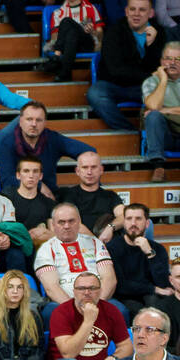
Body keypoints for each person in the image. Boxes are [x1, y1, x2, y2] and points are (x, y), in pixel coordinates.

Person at [46, 271, 131, 360]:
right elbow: (68, 353)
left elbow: (127, 346)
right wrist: (88, 321)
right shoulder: (61, 312)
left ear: (100, 291)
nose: (86, 292)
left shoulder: (111, 311)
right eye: (81, 288)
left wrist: (113, 358)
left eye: (92, 288)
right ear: (74, 291)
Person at [34, 202, 119, 320]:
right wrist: (75, 309)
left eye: (71, 221)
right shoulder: (45, 249)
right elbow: (51, 288)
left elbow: (110, 279)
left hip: (98, 300)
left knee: (120, 310)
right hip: (63, 302)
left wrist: (96, 305)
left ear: (79, 222)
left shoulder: (95, 243)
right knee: (51, 313)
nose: (67, 226)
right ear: (53, 225)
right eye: (61, 222)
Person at [87, 0, 162, 131]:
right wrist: (149, 75)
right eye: (132, 9)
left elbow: (161, 68)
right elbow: (115, 70)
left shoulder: (159, 32)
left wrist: (151, 46)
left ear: (151, 13)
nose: (136, 14)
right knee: (95, 93)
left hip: (147, 87)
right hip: (117, 86)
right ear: (126, 12)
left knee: (169, 89)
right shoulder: (114, 32)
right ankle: (130, 132)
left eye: (142, 10)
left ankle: (159, 134)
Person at [0, 101, 95, 193]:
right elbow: (6, 180)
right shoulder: (7, 143)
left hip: (49, 195)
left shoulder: (53, 138)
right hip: (19, 195)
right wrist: (39, 186)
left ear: (45, 123)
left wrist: (86, 172)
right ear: (20, 121)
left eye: (38, 120)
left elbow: (88, 151)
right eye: (29, 119)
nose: (34, 124)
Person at [107, 203, 168, 323]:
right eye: (129, 219)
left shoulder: (158, 249)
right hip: (125, 297)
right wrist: (154, 289)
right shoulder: (112, 248)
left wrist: (150, 253)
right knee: (139, 312)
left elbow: (163, 283)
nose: (133, 223)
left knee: (157, 307)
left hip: (151, 296)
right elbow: (120, 286)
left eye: (138, 219)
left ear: (147, 223)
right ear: (124, 223)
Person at [57, 152, 125, 243]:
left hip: (108, 244)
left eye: (93, 167)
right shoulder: (67, 195)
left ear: (101, 170)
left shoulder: (111, 195)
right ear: (77, 171)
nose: (89, 172)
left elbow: (123, 216)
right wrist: (96, 244)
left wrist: (110, 227)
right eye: (85, 167)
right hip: (79, 245)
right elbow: (72, 224)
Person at [143, 41, 180, 182]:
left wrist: (164, 110)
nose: (172, 63)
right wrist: (163, 80)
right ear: (161, 61)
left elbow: (158, 108)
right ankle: (158, 167)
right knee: (153, 116)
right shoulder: (151, 82)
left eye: (178, 59)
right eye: (168, 58)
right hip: (165, 136)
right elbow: (153, 106)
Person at [3, 156, 56, 249]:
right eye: (26, 171)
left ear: (40, 176)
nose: (31, 176)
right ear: (18, 175)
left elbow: (54, 234)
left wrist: (46, 233)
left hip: (39, 248)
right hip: (12, 248)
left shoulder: (48, 203)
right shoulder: (6, 198)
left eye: (35, 171)